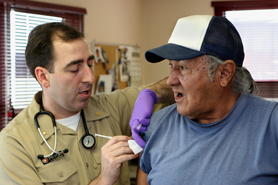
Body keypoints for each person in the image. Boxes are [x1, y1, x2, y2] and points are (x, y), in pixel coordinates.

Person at [0, 22, 174, 185]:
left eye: (90, 64)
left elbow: (182, 85)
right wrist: (104, 180)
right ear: (43, 77)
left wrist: (151, 94)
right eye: (74, 69)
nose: (90, 78)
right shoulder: (15, 142)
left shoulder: (110, 107)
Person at [137, 15, 278, 185]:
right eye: (171, 66)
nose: (170, 80)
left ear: (224, 73)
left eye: (183, 67)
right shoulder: (156, 126)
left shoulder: (271, 125)